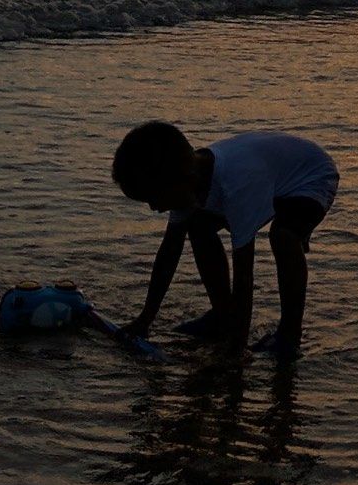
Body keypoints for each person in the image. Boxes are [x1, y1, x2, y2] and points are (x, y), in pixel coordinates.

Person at [114, 122, 340, 361]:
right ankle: (222, 315)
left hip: (310, 177)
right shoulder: (185, 182)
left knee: (283, 236)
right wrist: (145, 319)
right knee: (198, 225)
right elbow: (169, 253)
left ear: (181, 179)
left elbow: (244, 275)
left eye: (154, 198)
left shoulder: (237, 185)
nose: (154, 208)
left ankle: (289, 335)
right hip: (270, 174)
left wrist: (236, 350)